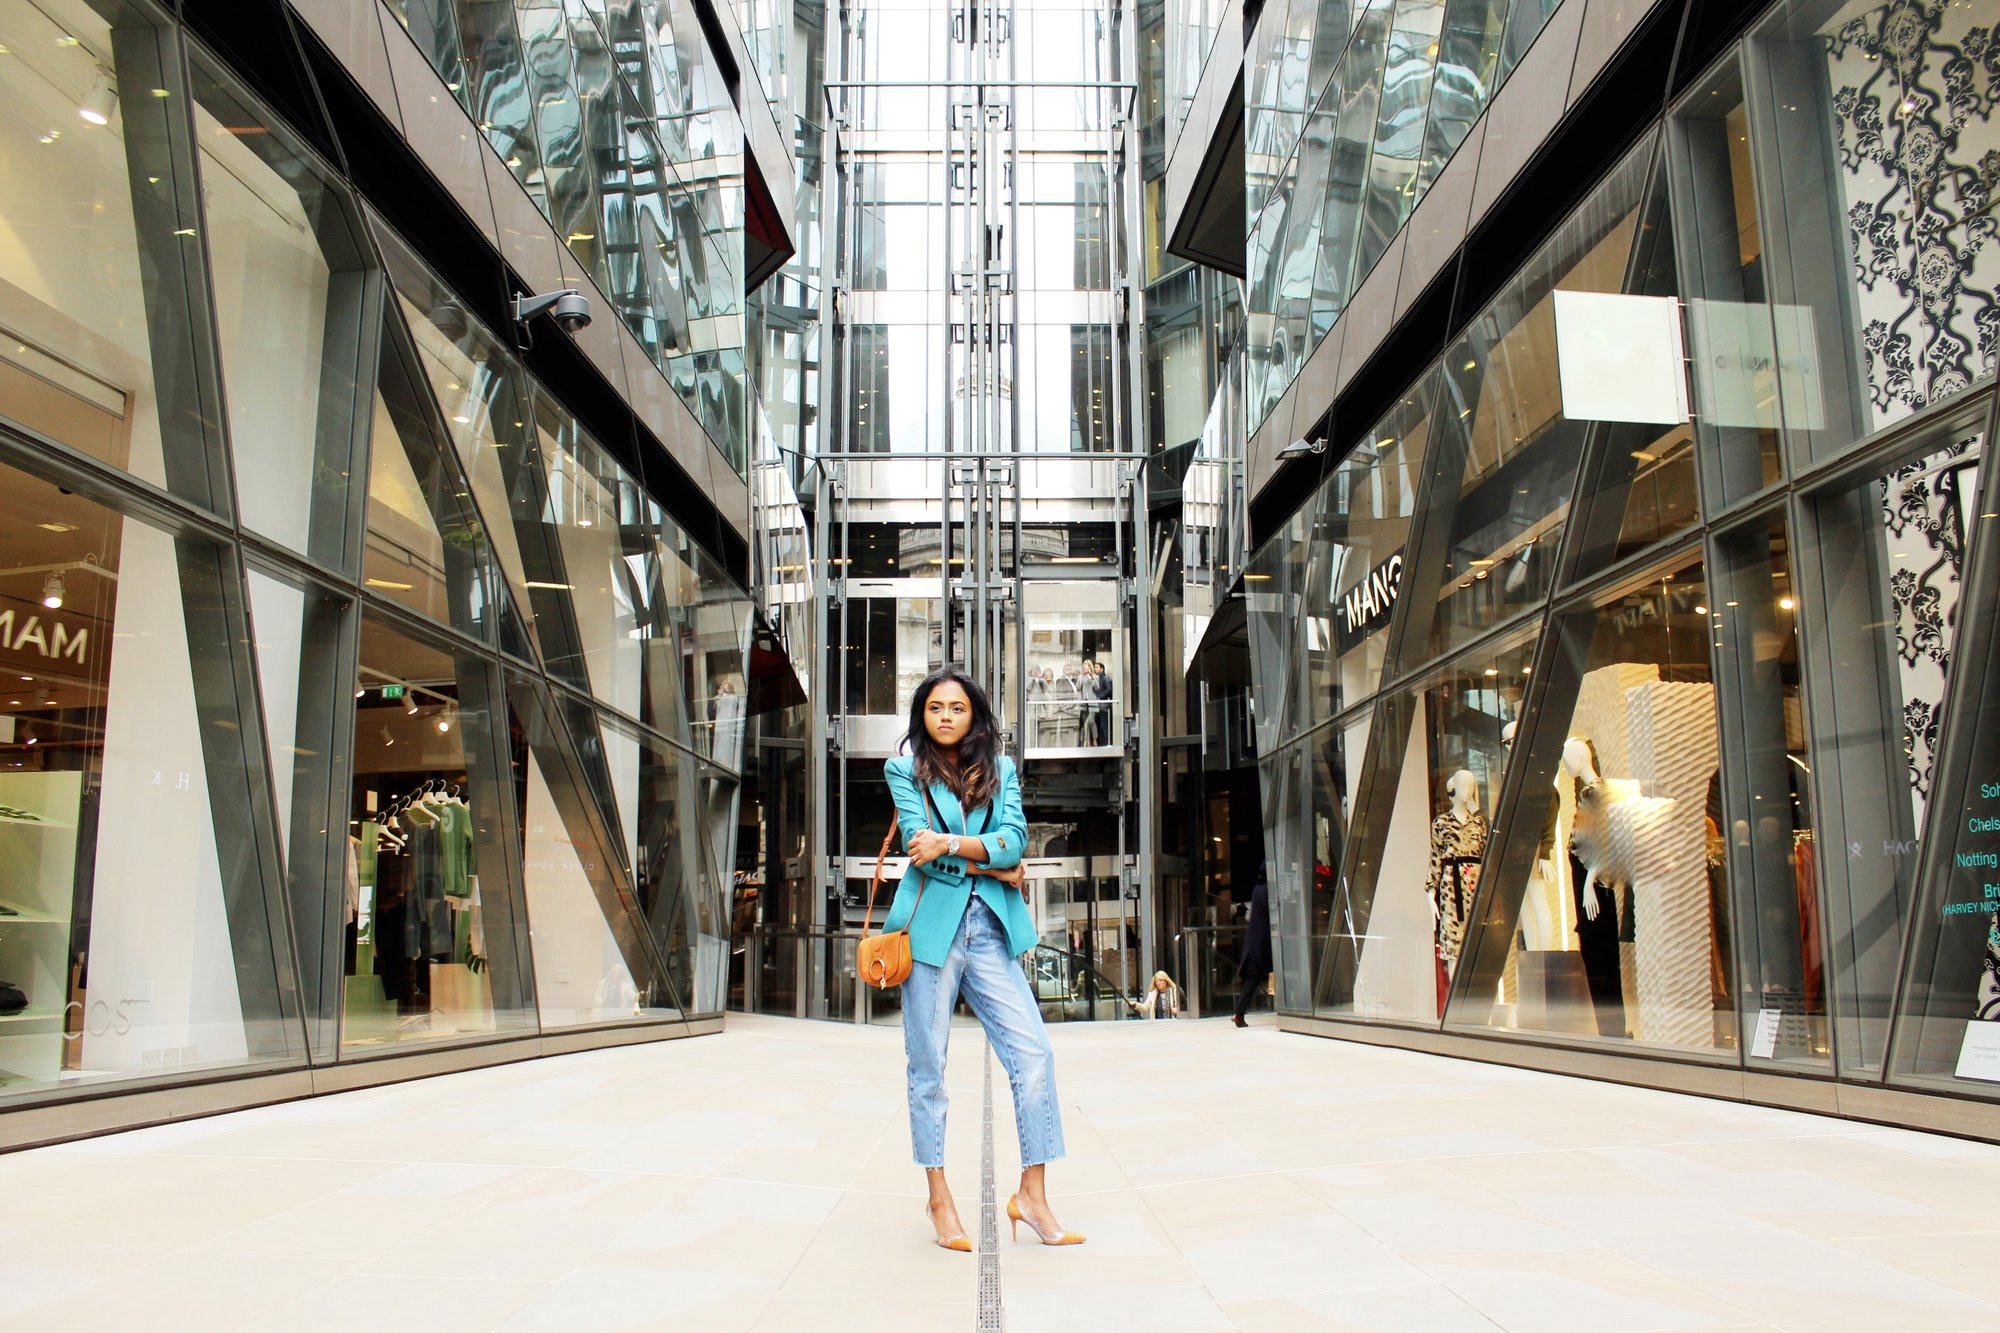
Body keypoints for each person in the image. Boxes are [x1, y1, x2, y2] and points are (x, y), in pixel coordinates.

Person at [885, 666, 1084, 1252]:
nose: (945, 717)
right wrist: (989, 862)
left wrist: (954, 847)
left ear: (974, 716)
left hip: (991, 931)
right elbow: (920, 849)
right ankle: (939, 1197)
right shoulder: (904, 771)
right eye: (934, 708)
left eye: (958, 708)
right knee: (929, 1069)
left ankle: (1033, 1194)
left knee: (1035, 1056)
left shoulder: (1002, 772)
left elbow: (1016, 842)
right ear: (923, 717)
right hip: (929, 937)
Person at [1233, 869, 1272, 1027]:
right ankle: (1239, 1012)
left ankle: (1239, 1012)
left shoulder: (1258, 888)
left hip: (1254, 942)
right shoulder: (1267, 890)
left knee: (1252, 980)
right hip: (1262, 942)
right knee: (1253, 979)